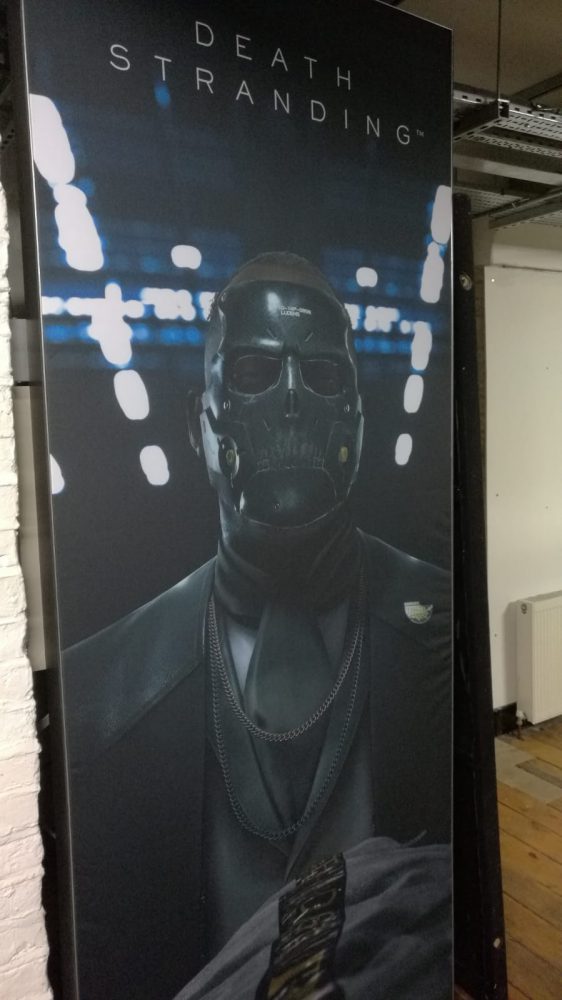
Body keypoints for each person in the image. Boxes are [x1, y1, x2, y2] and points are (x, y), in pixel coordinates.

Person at [63, 252, 451, 1000]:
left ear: (359, 416)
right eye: (253, 371)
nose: (293, 401)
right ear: (197, 423)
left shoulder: (440, 626)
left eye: (322, 373)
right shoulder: (103, 693)